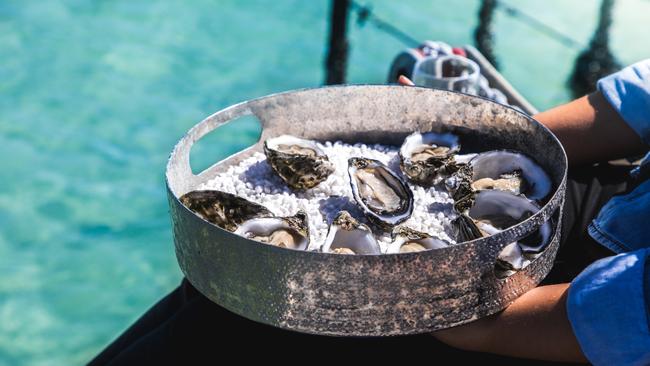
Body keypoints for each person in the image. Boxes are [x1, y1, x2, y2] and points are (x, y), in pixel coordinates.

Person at [90, 61, 650, 365]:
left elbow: (626, 315)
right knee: (233, 292)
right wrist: (468, 143)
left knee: (291, 320)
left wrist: (451, 314)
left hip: (592, 318)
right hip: (616, 202)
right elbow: (631, 105)